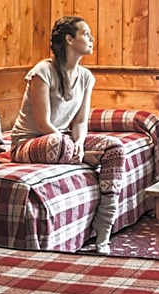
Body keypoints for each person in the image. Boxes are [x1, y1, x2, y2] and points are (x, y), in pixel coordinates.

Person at [11, 16, 124, 254]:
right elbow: (43, 124)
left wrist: (79, 143)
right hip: (29, 142)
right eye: (86, 34)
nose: (92, 39)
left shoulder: (86, 77)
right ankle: (80, 158)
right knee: (57, 142)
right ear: (69, 39)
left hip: (64, 140)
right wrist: (76, 151)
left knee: (115, 147)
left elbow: (81, 121)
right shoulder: (42, 72)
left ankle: (103, 233)